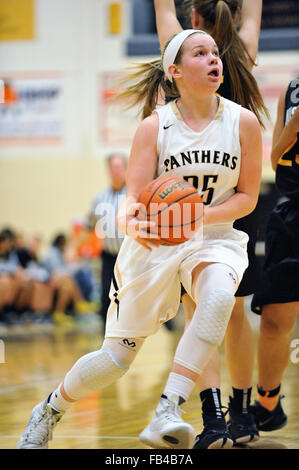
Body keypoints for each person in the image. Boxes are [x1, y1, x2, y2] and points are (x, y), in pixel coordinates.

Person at [16, 30, 262, 450]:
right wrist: (136, 222)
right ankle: (50, 409)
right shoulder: (155, 127)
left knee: (218, 297)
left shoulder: (243, 122)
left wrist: (198, 216)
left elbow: (248, 197)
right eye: (200, 54)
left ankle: (168, 407)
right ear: (175, 70)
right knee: (115, 360)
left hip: (213, 237)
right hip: (158, 246)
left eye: (215, 53)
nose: (213, 59)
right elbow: (131, 201)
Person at [152, 0, 268, 447]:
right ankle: (241, 415)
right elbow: (253, 16)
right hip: (237, 200)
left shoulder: (183, 54)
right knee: (234, 312)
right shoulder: (239, 52)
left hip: (193, 203)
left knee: (198, 311)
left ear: (191, 21)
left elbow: (164, 12)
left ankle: (213, 416)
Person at [250, 78, 299, 432]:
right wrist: (296, 124)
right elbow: (276, 158)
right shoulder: (292, 90)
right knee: (272, 320)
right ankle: (267, 404)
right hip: (293, 214)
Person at [88, 153, 127, 329]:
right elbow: (89, 225)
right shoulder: (100, 197)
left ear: (126, 169)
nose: (116, 171)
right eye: (113, 167)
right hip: (109, 255)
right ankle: (106, 333)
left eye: (120, 166)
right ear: (108, 170)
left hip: (131, 255)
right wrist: (74, 249)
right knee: (106, 294)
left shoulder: (135, 195)